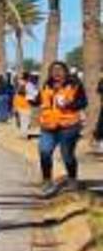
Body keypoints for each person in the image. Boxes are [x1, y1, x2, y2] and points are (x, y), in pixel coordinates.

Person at [37, 61, 87, 195]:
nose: (56, 72)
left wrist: (68, 104)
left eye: (60, 70)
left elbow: (83, 102)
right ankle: (47, 181)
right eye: (54, 70)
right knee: (44, 151)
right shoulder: (46, 85)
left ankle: (72, 179)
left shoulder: (74, 85)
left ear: (65, 72)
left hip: (68, 126)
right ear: (50, 73)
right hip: (48, 125)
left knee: (67, 155)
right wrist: (31, 99)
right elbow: (39, 100)